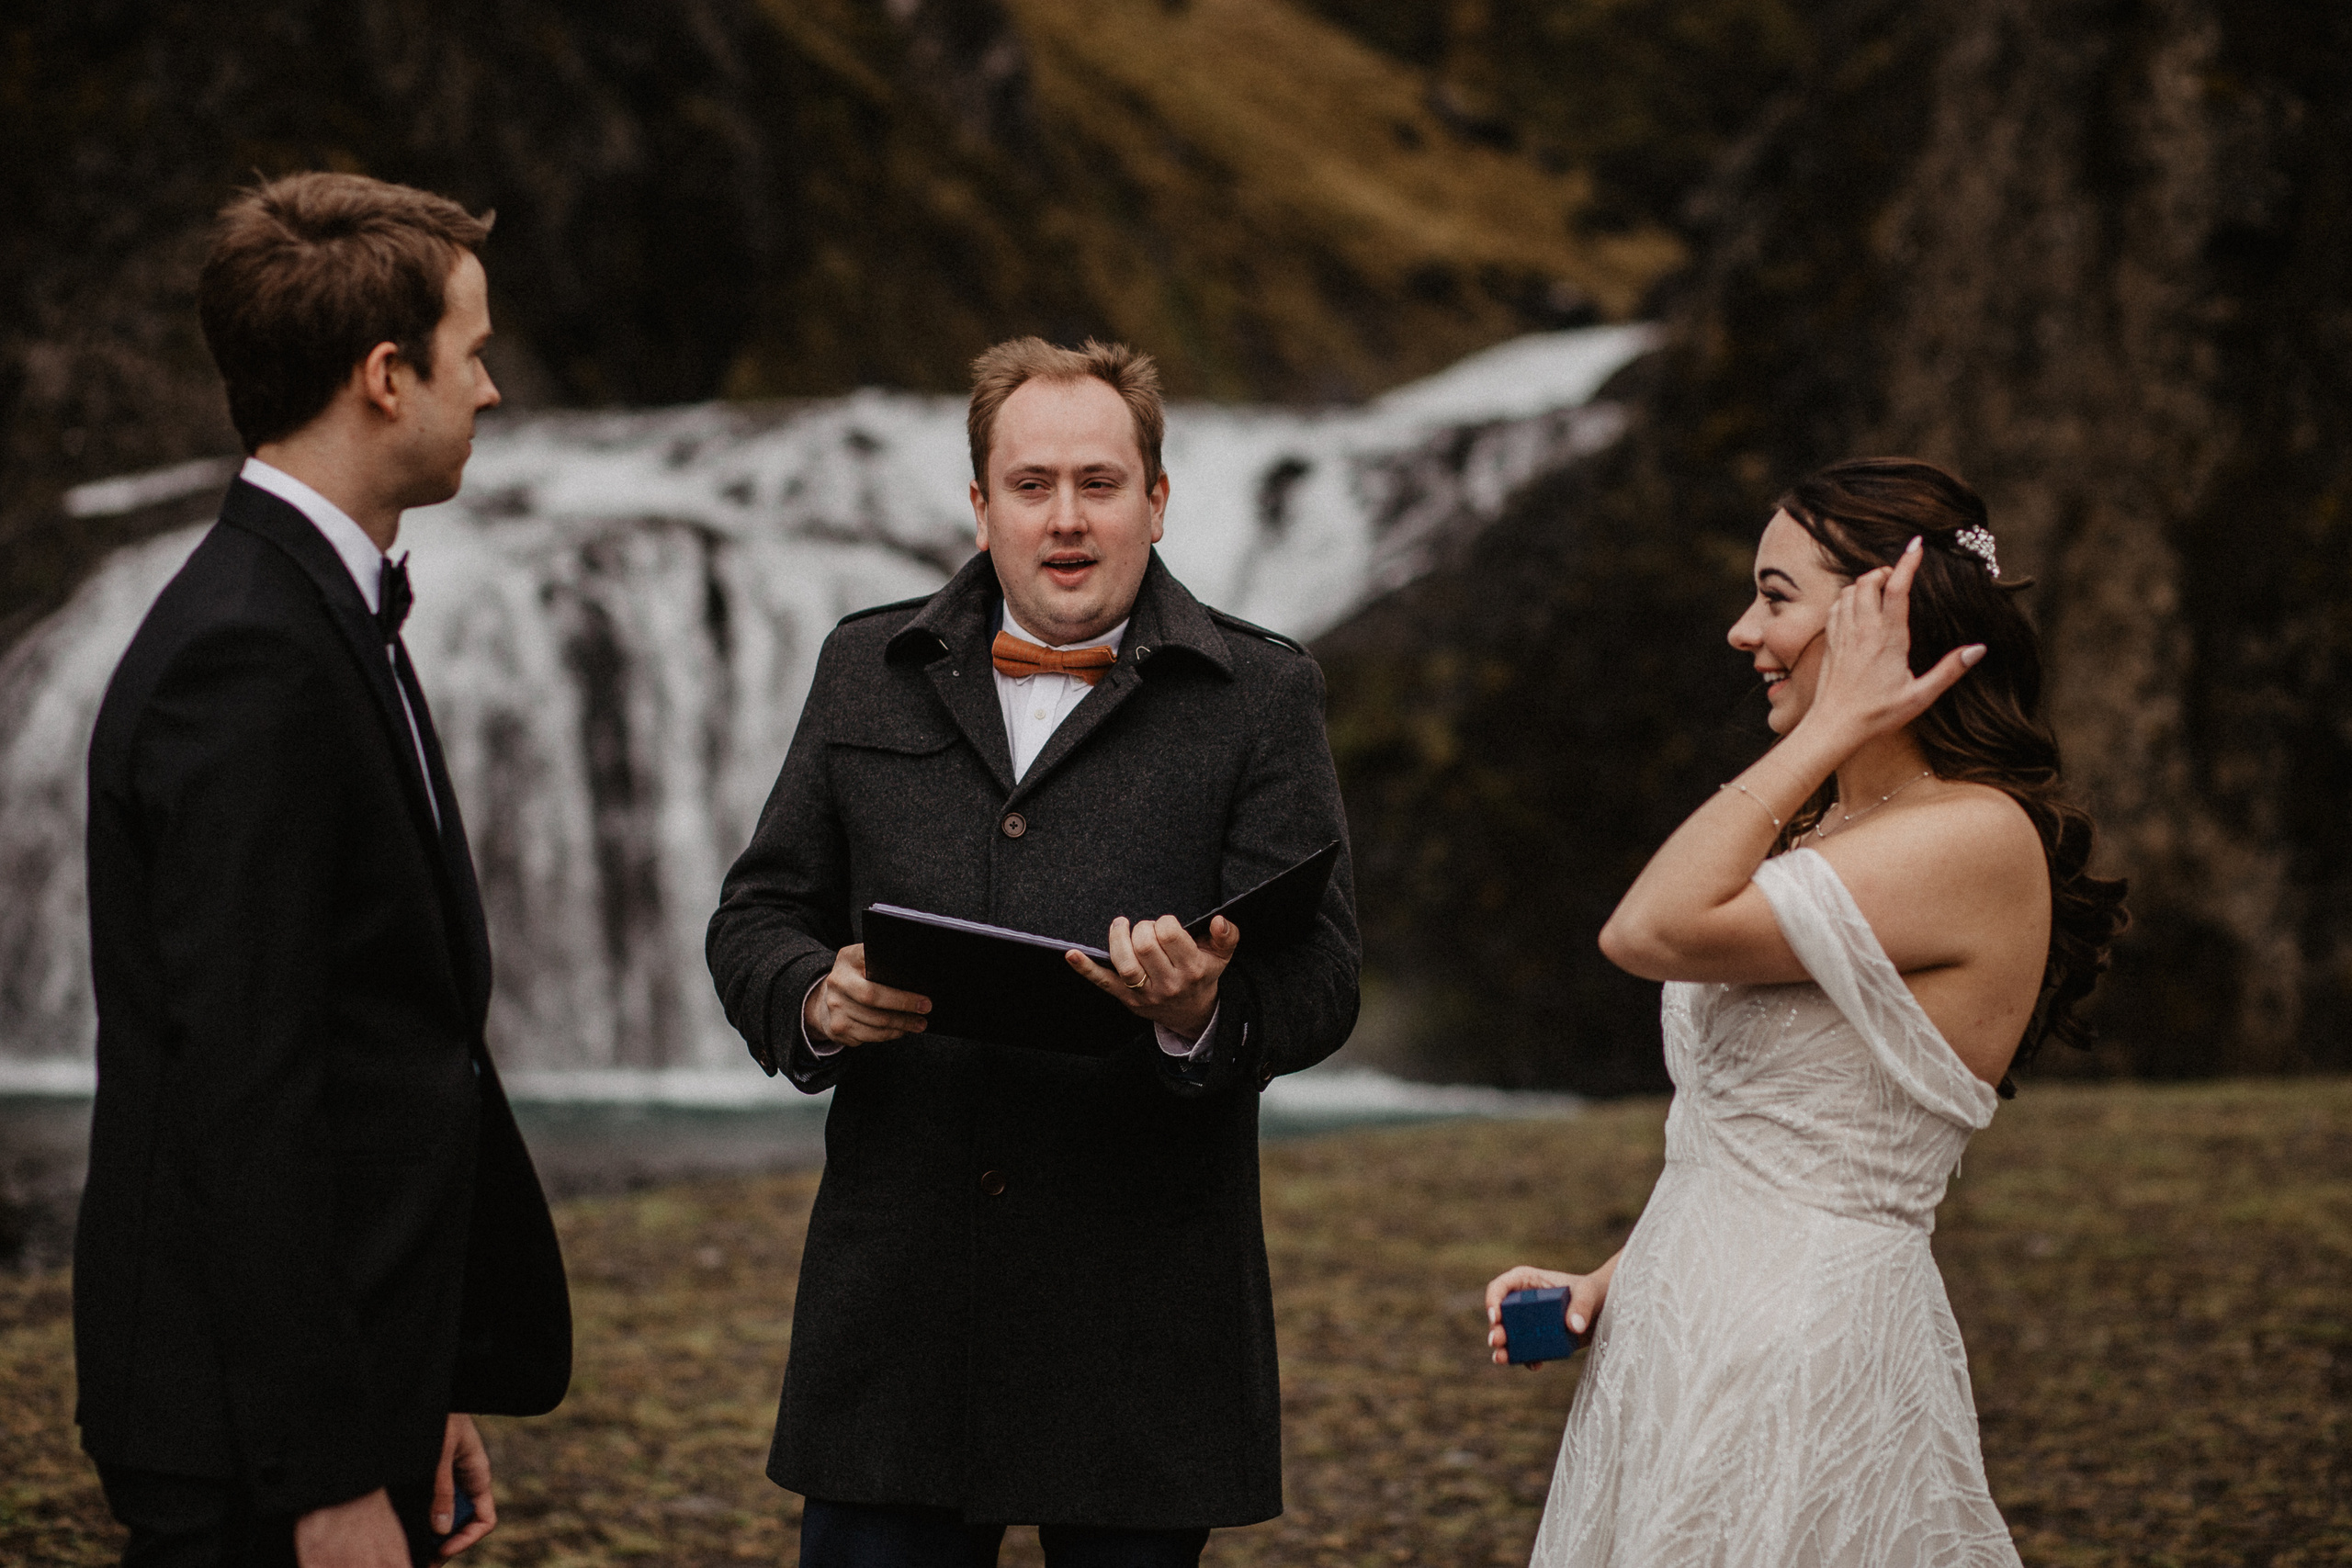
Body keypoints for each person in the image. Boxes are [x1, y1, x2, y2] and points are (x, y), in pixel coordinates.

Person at [706, 336, 1361, 1567]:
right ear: (979, 501)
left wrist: (1199, 1011)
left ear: (1158, 499)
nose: (1066, 518)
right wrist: (816, 1000)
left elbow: (1324, 978)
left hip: (1142, 1324)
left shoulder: (1266, 692)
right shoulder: (864, 664)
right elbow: (756, 916)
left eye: (1100, 483)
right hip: (897, 1320)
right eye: (1032, 483)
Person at [1483, 458, 2128, 1566]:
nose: (1742, 630)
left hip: (1803, 1357)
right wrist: (1609, 1284)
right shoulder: (1820, 834)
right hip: (1679, 1345)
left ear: (1890, 614)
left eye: (1776, 596)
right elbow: (1752, 1143)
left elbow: (1647, 932)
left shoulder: (1972, 836)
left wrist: (1824, 733)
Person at [77, 172, 571, 1568]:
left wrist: (415, 1391)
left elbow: (369, 1043)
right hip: (253, 1446)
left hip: (340, 1390)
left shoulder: (310, 608)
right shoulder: (250, 657)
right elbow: (250, 1094)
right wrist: (327, 1471)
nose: (487, 392)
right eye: (471, 355)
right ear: (382, 376)